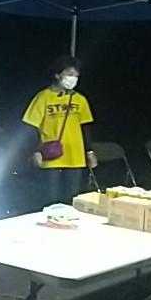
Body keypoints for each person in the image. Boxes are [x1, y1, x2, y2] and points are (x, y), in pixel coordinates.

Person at [22, 54, 96, 209]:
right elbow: (30, 127)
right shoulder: (43, 97)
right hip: (51, 156)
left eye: (76, 75)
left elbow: (85, 127)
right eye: (69, 74)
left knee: (72, 201)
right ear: (57, 75)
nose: (73, 78)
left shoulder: (80, 99)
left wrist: (89, 152)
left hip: (75, 158)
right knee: (50, 201)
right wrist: (35, 151)